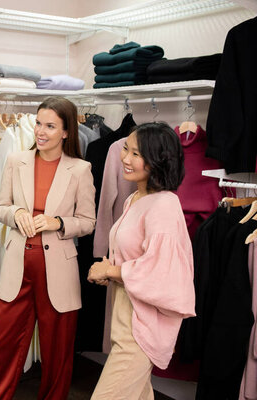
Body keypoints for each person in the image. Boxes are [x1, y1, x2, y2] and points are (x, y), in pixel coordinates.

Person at [0, 97, 96, 399]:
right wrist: (16, 214)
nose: (41, 132)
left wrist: (57, 222)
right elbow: (0, 207)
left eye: (50, 126)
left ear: (67, 131)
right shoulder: (17, 160)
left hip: (59, 270)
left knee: (58, 353)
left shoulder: (81, 170)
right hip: (18, 265)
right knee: (1, 346)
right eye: (39, 123)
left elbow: (87, 221)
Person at [88, 122, 196, 399]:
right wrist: (109, 272)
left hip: (141, 324)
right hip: (125, 315)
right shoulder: (135, 198)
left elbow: (162, 273)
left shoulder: (163, 206)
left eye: (136, 154)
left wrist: (110, 269)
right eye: (126, 149)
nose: (125, 158)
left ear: (158, 160)